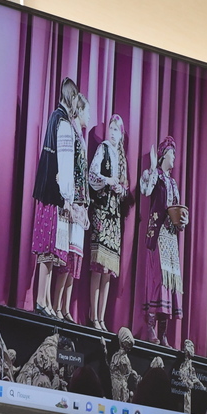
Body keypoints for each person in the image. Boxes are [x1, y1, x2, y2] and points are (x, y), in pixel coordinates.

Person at [31, 77, 79, 318]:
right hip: (54, 193)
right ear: (72, 98)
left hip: (49, 190)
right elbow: (66, 163)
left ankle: (46, 300)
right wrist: (67, 197)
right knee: (48, 248)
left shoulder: (55, 118)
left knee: (50, 251)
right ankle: (41, 299)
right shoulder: (63, 123)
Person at [139, 135, 188, 347]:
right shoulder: (155, 176)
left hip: (171, 236)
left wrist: (183, 221)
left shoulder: (174, 183)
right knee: (158, 279)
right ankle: (150, 326)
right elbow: (145, 190)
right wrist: (151, 167)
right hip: (158, 234)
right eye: (172, 153)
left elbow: (177, 210)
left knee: (170, 281)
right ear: (163, 155)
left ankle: (163, 332)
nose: (174, 157)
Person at [87, 114, 129, 331]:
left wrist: (121, 189)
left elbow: (125, 188)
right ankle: (93, 315)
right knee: (98, 266)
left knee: (108, 271)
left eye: (116, 130)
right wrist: (107, 180)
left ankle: (102, 318)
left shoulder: (121, 158)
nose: (112, 133)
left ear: (121, 135)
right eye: (111, 128)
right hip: (102, 211)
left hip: (114, 217)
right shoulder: (102, 149)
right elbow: (92, 175)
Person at [52, 94, 92, 323]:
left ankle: (65, 308)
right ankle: (56, 305)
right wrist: (69, 198)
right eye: (87, 111)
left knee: (75, 257)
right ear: (80, 111)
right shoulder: (72, 132)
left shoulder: (81, 136)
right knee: (66, 257)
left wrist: (85, 204)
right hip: (71, 200)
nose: (89, 116)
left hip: (80, 203)